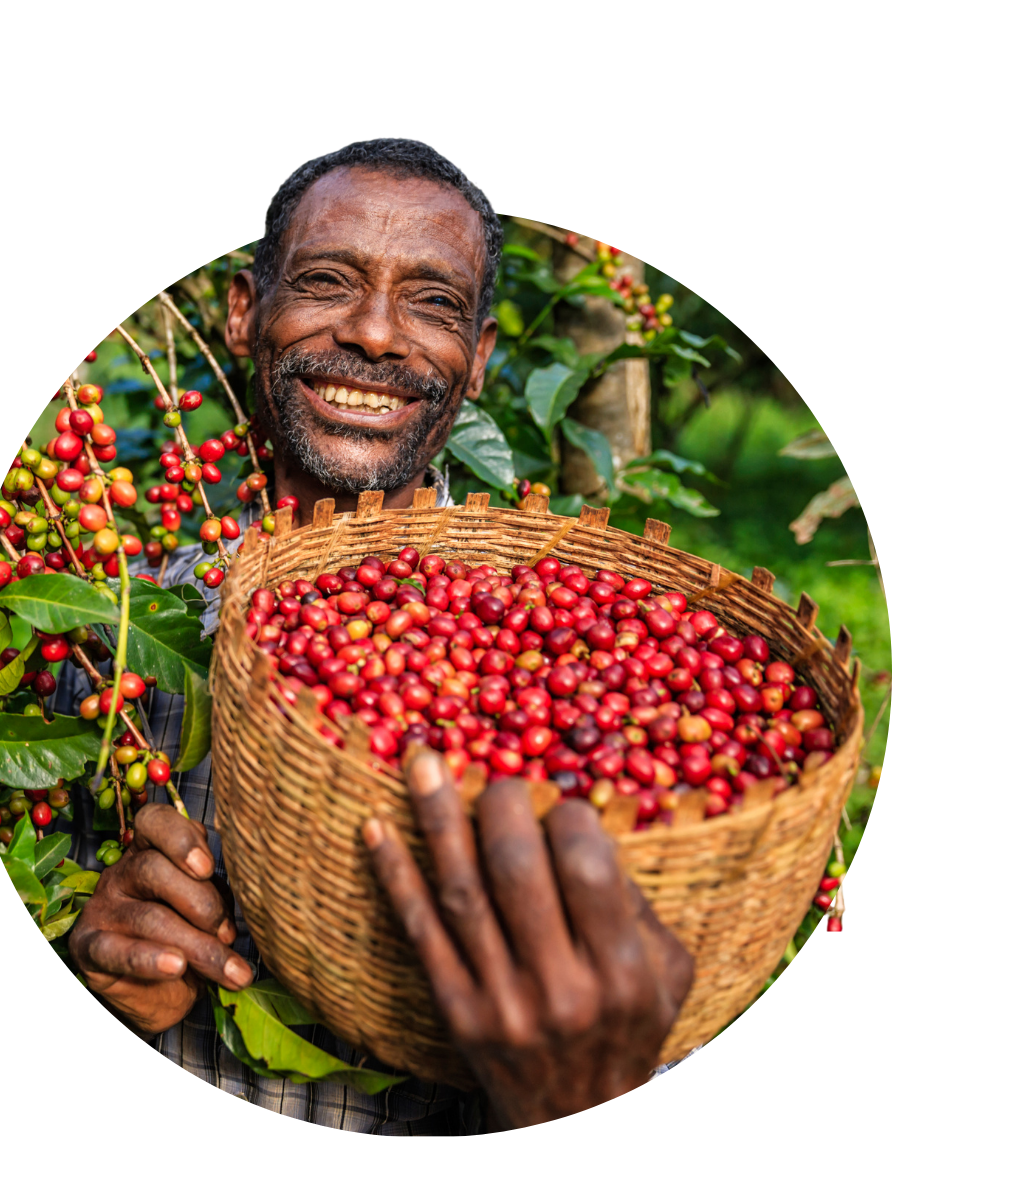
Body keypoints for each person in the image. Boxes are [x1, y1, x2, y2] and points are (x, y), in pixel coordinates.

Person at [64, 138, 695, 1134]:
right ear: (244, 314)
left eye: (433, 305)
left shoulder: (584, 660)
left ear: (480, 361)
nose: (374, 334)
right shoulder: (124, 644)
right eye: (327, 283)